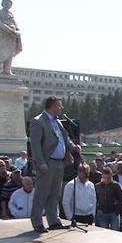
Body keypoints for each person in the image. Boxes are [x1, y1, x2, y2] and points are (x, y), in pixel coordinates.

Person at [29, 96, 81, 233]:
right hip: (47, 162)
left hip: (59, 162)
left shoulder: (57, 122)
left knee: (55, 193)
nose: (61, 108)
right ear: (52, 106)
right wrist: (41, 162)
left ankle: (53, 220)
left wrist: (72, 147)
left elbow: (64, 138)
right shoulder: (38, 121)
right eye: (59, 106)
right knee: (42, 193)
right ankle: (37, 222)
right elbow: (35, 145)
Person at [0, 0, 22, 75]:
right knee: (2, 52)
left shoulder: (11, 15)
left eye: (9, 4)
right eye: (6, 3)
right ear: (2, 4)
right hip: (3, 34)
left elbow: (16, 25)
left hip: (12, 36)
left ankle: (7, 70)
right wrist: (9, 30)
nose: (8, 5)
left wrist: (17, 32)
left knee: (11, 52)